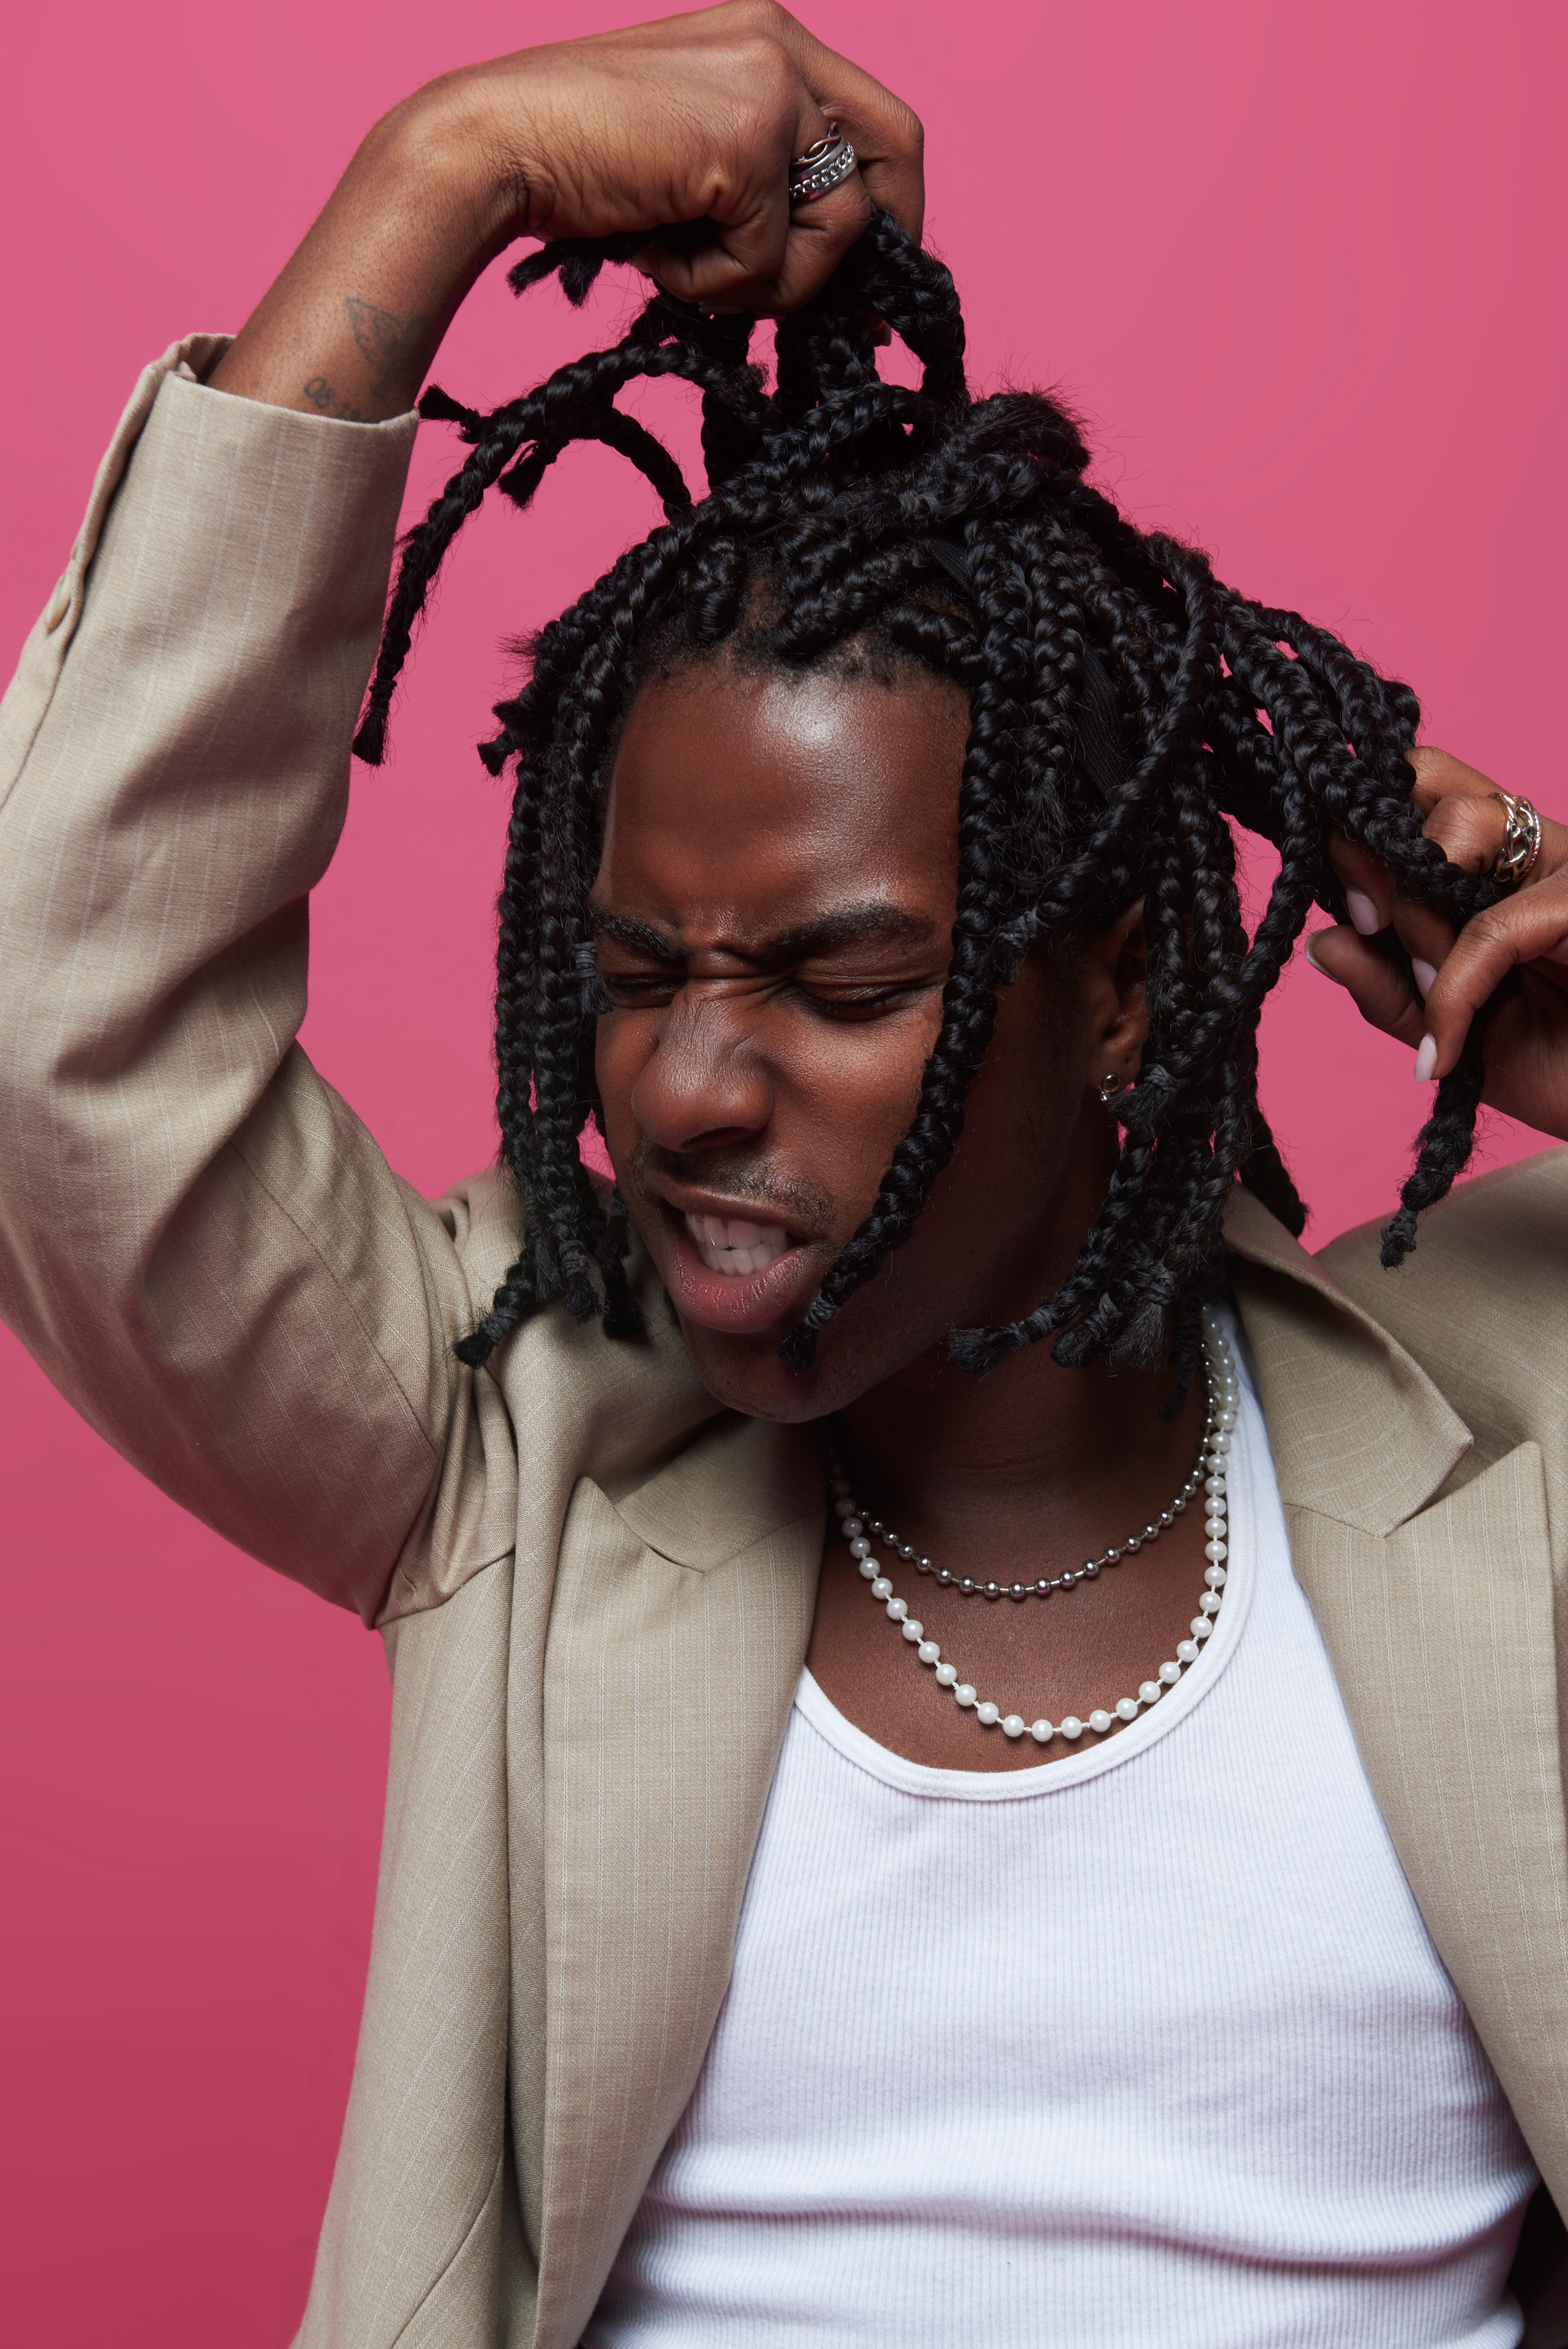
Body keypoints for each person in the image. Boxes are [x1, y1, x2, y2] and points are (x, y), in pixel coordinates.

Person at [4, 4, 1568, 2342]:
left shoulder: (1516, 1442)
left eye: (842, 983)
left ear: (1125, 988)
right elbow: (61, 1033)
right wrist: (446, 174)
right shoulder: (512, 1438)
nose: (695, 1090)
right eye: (637, 971)